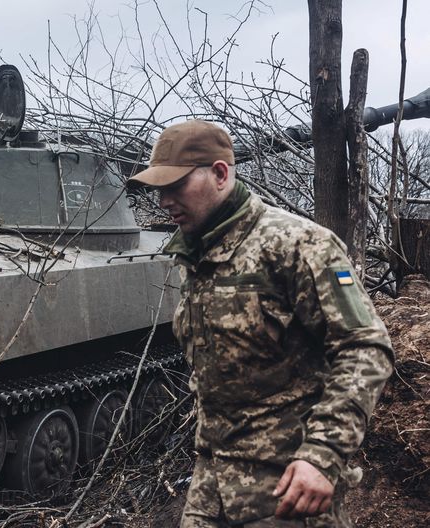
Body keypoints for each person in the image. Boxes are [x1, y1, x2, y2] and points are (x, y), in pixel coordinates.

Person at [126, 120, 394, 527]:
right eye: (159, 189)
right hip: (212, 485)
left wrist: (322, 455)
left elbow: (365, 348)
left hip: (288, 487)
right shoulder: (197, 255)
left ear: (220, 174)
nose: (164, 200)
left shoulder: (297, 244)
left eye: (176, 185)